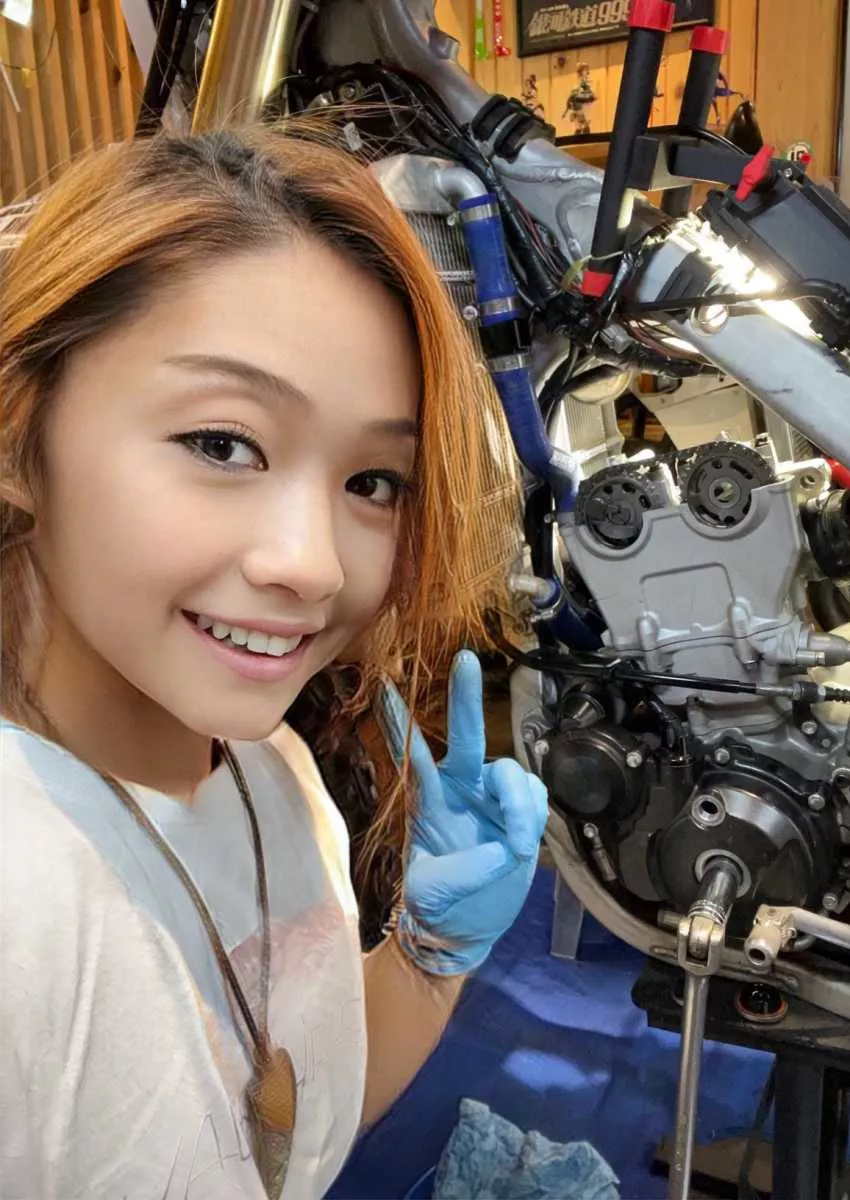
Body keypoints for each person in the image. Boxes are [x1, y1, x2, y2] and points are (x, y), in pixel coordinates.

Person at [0, 125, 548, 1200]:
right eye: (221, 443)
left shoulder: (277, 782)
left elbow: (283, 1136)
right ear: (24, 427)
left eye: (373, 481)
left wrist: (429, 962)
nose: (309, 565)